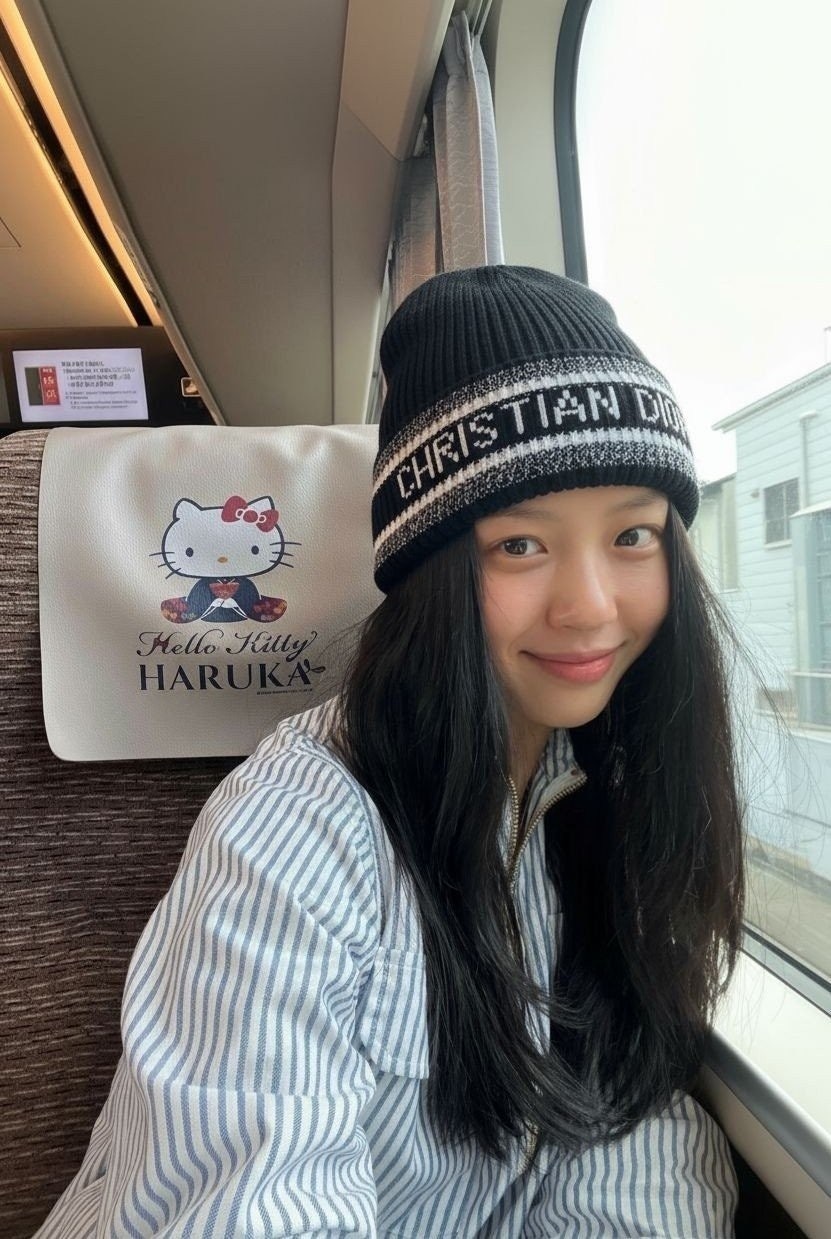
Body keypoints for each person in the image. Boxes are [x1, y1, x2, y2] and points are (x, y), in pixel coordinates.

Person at [38, 267, 741, 1237]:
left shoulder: (609, 799)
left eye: (632, 534)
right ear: (430, 574)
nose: (590, 606)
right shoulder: (293, 830)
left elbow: (630, 1126)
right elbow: (251, 1203)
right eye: (520, 546)